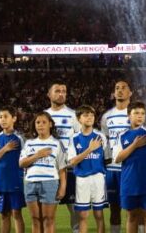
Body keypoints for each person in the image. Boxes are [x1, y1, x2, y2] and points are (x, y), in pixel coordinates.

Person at [115, 101, 146, 233]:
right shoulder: (122, 135)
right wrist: (134, 145)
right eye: (136, 113)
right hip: (129, 182)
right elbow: (117, 158)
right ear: (129, 115)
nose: (140, 116)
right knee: (131, 216)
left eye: (142, 113)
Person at [44, 81, 82, 233]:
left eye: (64, 91)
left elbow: (81, 139)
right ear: (49, 94)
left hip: (69, 169)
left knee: (74, 208)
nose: (61, 94)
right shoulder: (43, 115)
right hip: (49, 170)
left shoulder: (73, 115)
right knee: (46, 211)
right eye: (57, 91)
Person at [20, 112, 67, 233]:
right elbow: (21, 164)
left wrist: (62, 187)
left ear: (50, 124)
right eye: (38, 122)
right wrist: (37, 155)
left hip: (50, 183)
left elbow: (62, 168)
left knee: (49, 219)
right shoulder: (29, 143)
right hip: (30, 183)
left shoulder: (57, 143)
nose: (40, 125)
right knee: (35, 219)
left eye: (44, 122)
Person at [68, 106, 108, 233]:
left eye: (91, 115)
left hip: (98, 178)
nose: (89, 117)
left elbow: (107, 158)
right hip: (82, 179)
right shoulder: (74, 138)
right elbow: (72, 161)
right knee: (83, 215)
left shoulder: (101, 136)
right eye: (86, 115)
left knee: (99, 214)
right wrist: (89, 149)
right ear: (79, 119)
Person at [0, 106, 26, 233]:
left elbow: (25, 160)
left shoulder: (20, 139)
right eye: (0, 117)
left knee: (17, 213)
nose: (2, 120)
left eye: (6, 116)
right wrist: (4, 149)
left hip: (15, 181)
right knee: (4, 215)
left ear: (14, 118)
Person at [101, 80, 133, 233]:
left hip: (130, 168)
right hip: (112, 169)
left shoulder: (135, 114)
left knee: (132, 208)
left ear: (130, 93)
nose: (120, 91)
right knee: (114, 208)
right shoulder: (107, 117)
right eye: (117, 88)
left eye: (123, 88)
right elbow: (105, 142)